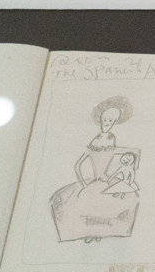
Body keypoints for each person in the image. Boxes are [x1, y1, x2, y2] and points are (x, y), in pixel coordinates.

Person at [50, 96, 142, 242]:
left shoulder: (111, 140)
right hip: (95, 181)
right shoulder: (94, 144)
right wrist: (83, 182)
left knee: (121, 201)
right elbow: (78, 165)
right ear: (100, 119)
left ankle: (99, 235)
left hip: (107, 180)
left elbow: (128, 152)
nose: (107, 123)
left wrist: (132, 166)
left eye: (111, 121)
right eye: (105, 120)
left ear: (115, 122)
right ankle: (91, 234)